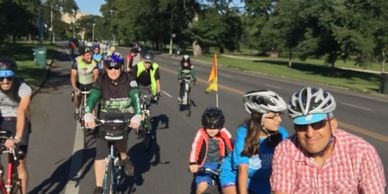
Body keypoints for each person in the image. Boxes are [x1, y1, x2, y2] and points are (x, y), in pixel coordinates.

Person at [270, 87, 386, 194]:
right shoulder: (285, 150)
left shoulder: (362, 153)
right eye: (302, 126)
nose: (310, 133)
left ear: (333, 124)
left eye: (317, 124)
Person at [83, 54, 142, 194]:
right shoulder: (101, 80)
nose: (113, 71)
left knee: (121, 136)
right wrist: (87, 112)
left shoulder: (129, 79)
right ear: (105, 68)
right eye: (110, 67)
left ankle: (124, 158)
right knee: (100, 154)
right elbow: (93, 97)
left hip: (124, 117)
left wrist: (138, 114)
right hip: (105, 119)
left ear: (121, 67)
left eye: (116, 67)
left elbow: (135, 96)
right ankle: (98, 187)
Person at [219, 90, 289, 194]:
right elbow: (243, 169)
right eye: (273, 116)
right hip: (235, 176)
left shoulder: (282, 134)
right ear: (259, 119)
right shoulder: (244, 132)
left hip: (263, 182)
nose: (279, 120)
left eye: (279, 115)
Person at [0, 57, 32, 194]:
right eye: (1, 78)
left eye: (9, 77)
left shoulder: (23, 88)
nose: (5, 81)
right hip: (1, 119)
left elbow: (21, 111)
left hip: (17, 121)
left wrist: (17, 137)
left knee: (20, 161)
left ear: (14, 76)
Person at [189, 107, 233, 194]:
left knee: (229, 187)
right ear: (204, 125)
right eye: (209, 128)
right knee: (202, 187)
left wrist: (242, 157)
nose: (212, 131)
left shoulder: (223, 132)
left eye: (215, 128)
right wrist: (193, 163)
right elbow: (195, 147)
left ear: (220, 126)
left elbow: (232, 144)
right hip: (205, 165)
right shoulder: (201, 133)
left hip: (222, 164)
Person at [70, 46, 99, 120]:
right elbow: (73, 76)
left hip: (90, 83)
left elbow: (96, 76)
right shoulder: (76, 62)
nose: (90, 56)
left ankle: (93, 120)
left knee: (91, 101)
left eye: (90, 54)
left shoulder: (94, 62)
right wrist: (75, 88)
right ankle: (77, 109)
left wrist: (94, 86)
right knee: (79, 96)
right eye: (87, 55)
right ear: (82, 56)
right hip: (79, 83)